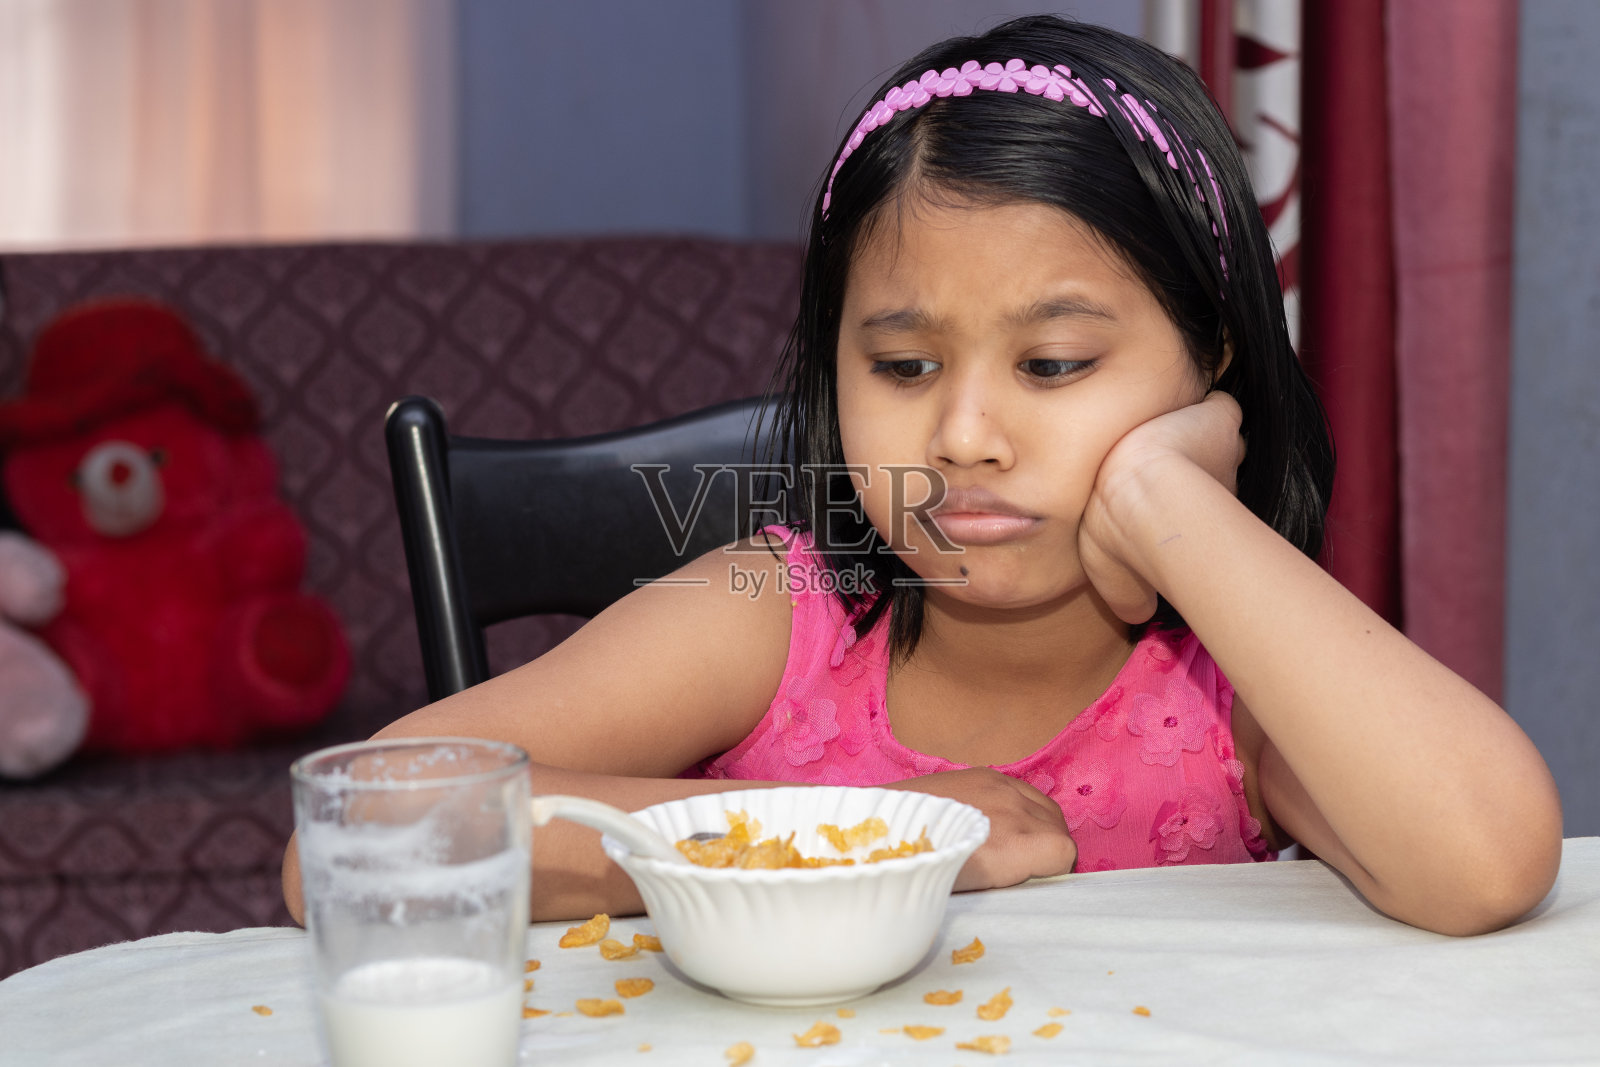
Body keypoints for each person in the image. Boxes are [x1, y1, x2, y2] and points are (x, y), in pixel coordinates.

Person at [284, 15, 1561, 935]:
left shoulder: (1229, 681)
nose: (962, 433)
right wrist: (868, 843)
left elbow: (1489, 861)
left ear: (1210, 365)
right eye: (900, 364)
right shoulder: (775, 618)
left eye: (1054, 364)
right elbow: (351, 837)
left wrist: (1175, 505)